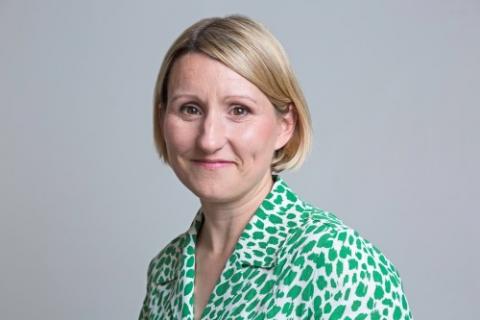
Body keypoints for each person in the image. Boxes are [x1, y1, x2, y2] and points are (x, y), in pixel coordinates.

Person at [139, 15, 412, 320]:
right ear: (163, 118)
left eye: (239, 110)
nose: (209, 139)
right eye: (190, 109)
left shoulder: (338, 259)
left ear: (285, 126)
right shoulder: (166, 270)